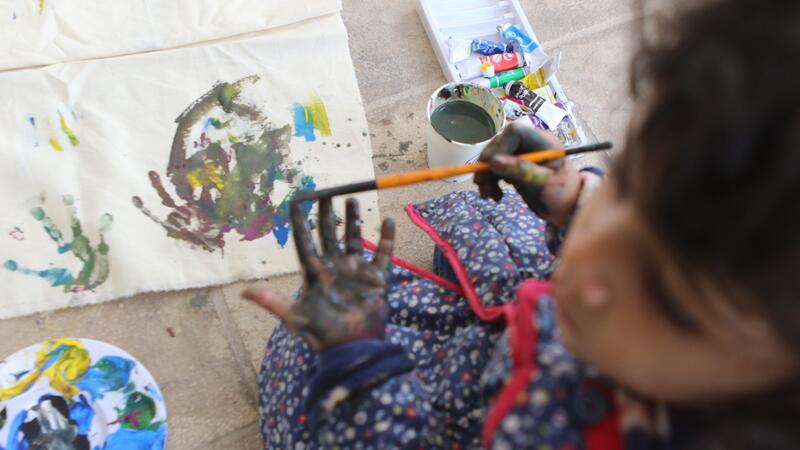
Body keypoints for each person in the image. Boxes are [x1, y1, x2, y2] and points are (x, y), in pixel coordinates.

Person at [243, 0, 800, 448]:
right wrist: (571, 199)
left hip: (452, 424)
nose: (589, 255)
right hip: (516, 345)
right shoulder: (654, 304)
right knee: (488, 211)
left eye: (669, 300)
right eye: (628, 185)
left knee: (304, 350)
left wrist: (359, 363)